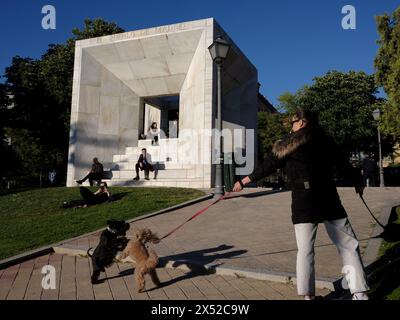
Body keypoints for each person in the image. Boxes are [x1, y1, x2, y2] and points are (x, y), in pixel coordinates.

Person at [232, 109, 370, 300]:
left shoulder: (285, 145)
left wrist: (242, 182)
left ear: (303, 122)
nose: (291, 126)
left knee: (305, 250)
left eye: (293, 122)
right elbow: (343, 164)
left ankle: (308, 296)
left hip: (303, 201)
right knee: (348, 245)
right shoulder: (325, 140)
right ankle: (359, 294)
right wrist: (357, 181)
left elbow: (267, 167)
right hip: (328, 197)